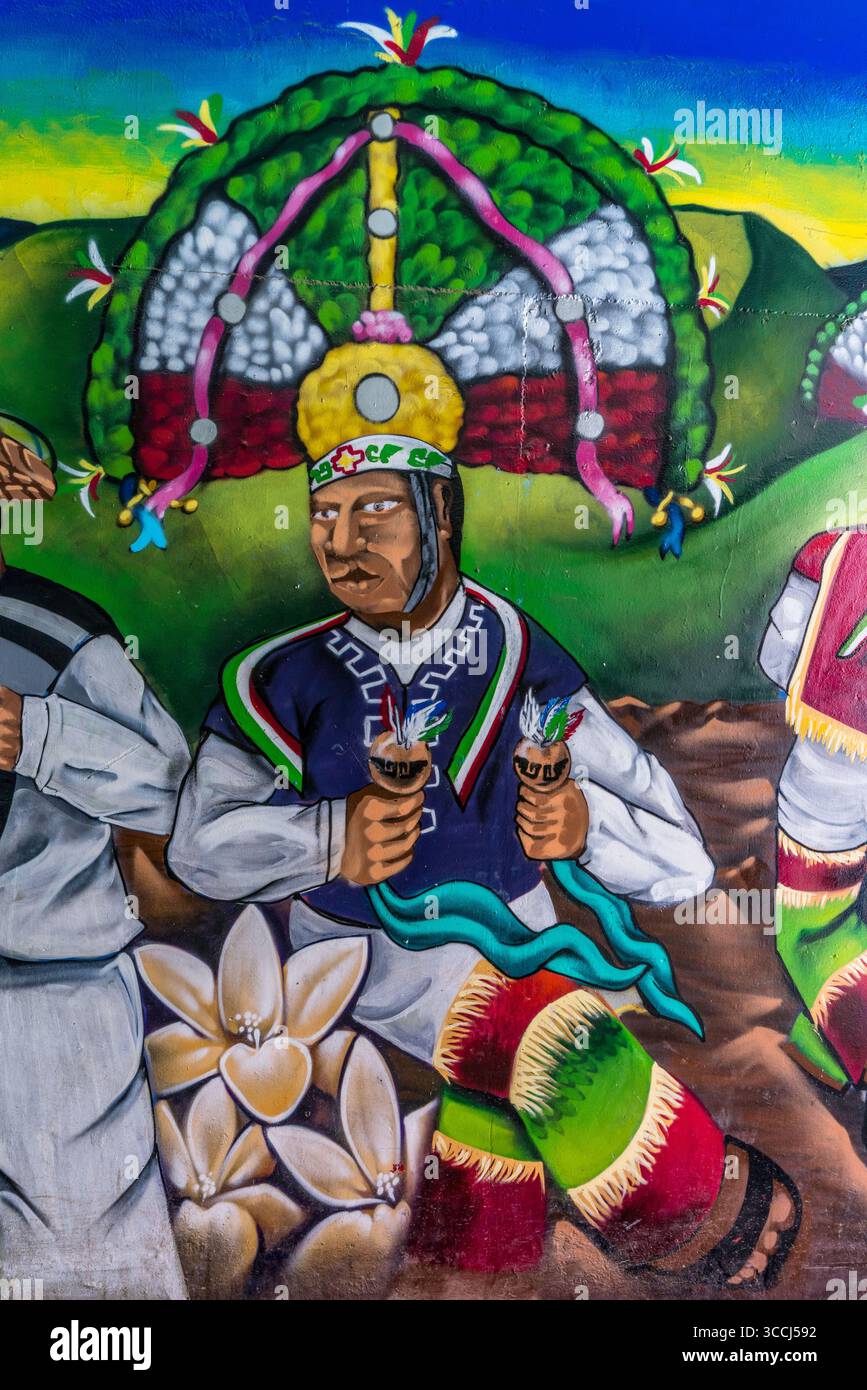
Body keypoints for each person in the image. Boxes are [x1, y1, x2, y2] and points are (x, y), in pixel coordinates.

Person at [0, 417, 189, 1298]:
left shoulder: (65, 635)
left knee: (92, 1289)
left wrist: (39, 735)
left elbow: (170, 793)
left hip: (51, 1009)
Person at [760, 526, 867, 1098]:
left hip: (829, 786)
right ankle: (822, 1043)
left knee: (814, 931)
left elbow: (778, 660)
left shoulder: (831, 553)